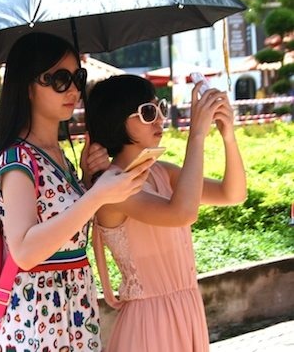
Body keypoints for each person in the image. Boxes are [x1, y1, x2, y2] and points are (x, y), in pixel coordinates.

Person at [0, 33, 151, 350]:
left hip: (73, 310)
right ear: (28, 87)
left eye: (77, 77)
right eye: (59, 79)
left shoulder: (57, 155)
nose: (72, 89)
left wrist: (85, 180)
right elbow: (25, 251)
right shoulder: (18, 160)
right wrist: (95, 196)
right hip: (38, 319)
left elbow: (64, 222)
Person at [85, 75, 247, 352]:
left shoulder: (161, 171)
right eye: (148, 112)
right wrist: (196, 135)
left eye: (159, 108)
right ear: (116, 121)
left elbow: (232, 195)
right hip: (149, 324)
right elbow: (182, 213)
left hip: (186, 311)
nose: (159, 118)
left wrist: (228, 135)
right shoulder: (111, 186)